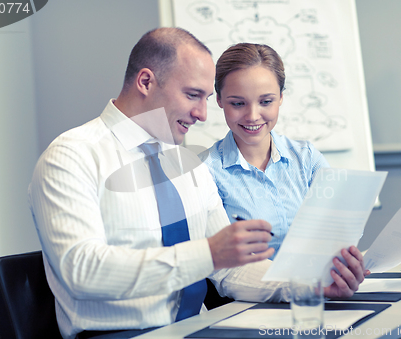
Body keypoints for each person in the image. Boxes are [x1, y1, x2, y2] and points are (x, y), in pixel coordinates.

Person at [29, 29, 366, 339]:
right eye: (193, 95)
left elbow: (231, 272)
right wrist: (207, 253)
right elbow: (82, 271)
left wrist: (310, 285)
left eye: (207, 98)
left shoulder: (188, 166)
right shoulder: (71, 156)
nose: (203, 114)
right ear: (145, 82)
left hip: (197, 328)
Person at [201, 42, 368, 264]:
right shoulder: (206, 171)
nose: (252, 116)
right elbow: (223, 265)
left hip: (316, 287)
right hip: (252, 295)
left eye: (266, 101)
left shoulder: (307, 158)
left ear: (281, 97)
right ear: (219, 100)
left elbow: (341, 230)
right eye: (238, 103)